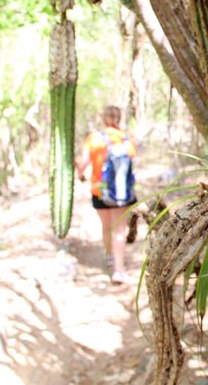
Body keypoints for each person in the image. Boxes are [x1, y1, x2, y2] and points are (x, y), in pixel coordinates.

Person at [75, 105, 138, 284]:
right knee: (120, 229)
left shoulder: (93, 139)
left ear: (103, 118)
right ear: (118, 119)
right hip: (123, 193)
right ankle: (119, 270)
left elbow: (82, 164)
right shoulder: (125, 140)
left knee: (106, 227)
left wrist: (81, 175)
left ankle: (110, 257)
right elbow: (131, 162)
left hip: (99, 191)